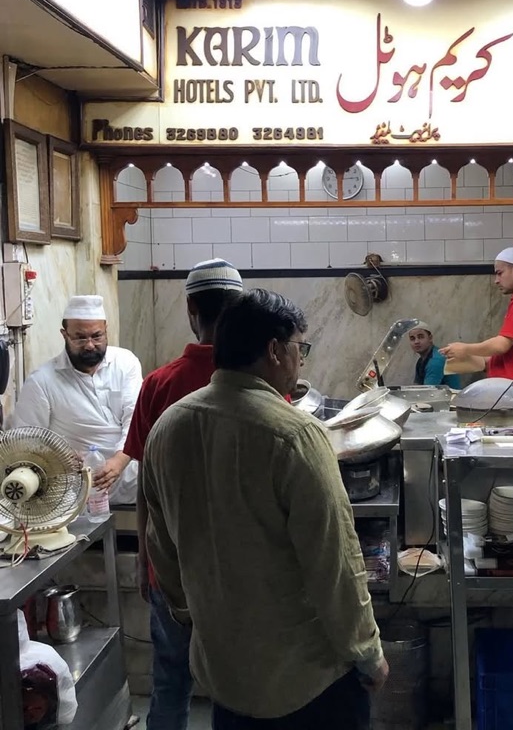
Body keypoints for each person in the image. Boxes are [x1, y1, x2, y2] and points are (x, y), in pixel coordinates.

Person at [141, 289, 388, 730]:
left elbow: (161, 547)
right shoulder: (294, 435)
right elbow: (335, 561)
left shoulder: (167, 427)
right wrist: (367, 651)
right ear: (275, 350)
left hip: (226, 676)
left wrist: (188, 617)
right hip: (306, 679)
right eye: (300, 348)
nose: (302, 361)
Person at [124, 259, 243, 730]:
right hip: (239, 566)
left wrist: (142, 558)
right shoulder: (261, 382)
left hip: (169, 564)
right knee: (237, 681)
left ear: (191, 309)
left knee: (170, 677)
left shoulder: (158, 384)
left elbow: (145, 485)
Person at [10, 295, 142, 504]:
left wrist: (119, 460)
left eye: (97, 336)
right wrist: (57, 457)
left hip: (130, 474)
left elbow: (135, 418)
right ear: (65, 335)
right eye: (80, 338)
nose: (90, 345)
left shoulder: (126, 363)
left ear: (106, 330)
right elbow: (24, 439)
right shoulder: (43, 380)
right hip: (75, 487)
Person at [440, 247, 513, 400]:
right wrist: (477, 361)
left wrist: (465, 349)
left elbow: (501, 345)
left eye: (500, 273)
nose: (496, 280)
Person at [408, 323, 460, 388]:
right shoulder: (421, 361)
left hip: (450, 397)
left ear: (430, 338)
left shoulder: (436, 360)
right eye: (412, 338)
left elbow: (427, 392)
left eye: (421, 337)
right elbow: (416, 387)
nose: (416, 342)